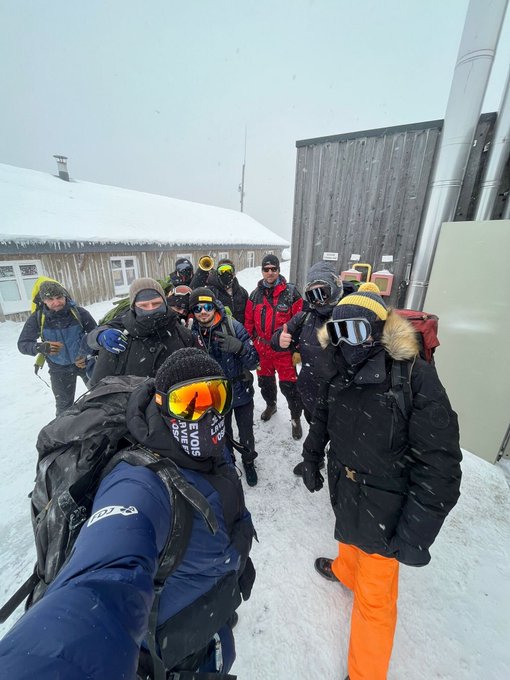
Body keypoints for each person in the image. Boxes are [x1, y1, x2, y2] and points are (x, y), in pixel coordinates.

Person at [0, 348, 256, 679]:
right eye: (188, 402)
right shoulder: (140, 484)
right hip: (169, 655)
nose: (206, 413)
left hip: (205, 622)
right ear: (162, 406)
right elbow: (101, 584)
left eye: (216, 397)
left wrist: (233, 565)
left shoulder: (204, 449)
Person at [299, 290, 462, 680]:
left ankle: (365, 674)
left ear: (377, 330)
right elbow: (322, 415)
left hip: (387, 506)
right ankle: (345, 572)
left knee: (374, 602)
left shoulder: (412, 377)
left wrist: (415, 533)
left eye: (354, 330)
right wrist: (311, 456)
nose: (345, 342)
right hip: (345, 487)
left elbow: (440, 465)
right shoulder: (338, 369)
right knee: (346, 537)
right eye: (337, 331)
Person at [271, 261, 345, 473]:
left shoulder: (346, 316)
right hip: (311, 394)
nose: (318, 300)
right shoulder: (305, 317)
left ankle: (340, 471)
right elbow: (280, 334)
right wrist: (280, 338)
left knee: (341, 442)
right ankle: (315, 461)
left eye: (322, 292)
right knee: (315, 433)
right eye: (312, 295)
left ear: (334, 288)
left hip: (340, 400)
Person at [190, 287, 260, 487]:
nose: (203, 312)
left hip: (241, 391)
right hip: (215, 397)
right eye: (198, 308)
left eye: (207, 307)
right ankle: (229, 463)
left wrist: (239, 348)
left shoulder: (233, 326)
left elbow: (255, 362)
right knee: (222, 433)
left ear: (214, 306)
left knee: (246, 432)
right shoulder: (192, 334)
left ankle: (249, 461)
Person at [88, 277, 197, 386]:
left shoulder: (183, 334)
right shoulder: (119, 338)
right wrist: (99, 336)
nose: (151, 309)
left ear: (164, 302)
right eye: (143, 305)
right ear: (134, 307)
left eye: (156, 303)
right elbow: (99, 388)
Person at [244, 254, 304, 440]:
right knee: (265, 383)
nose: (270, 273)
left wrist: (297, 348)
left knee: (290, 387)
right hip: (262, 350)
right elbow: (248, 321)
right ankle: (271, 405)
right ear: (262, 271)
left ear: (279, 270)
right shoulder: (254, 295)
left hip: (284, 351)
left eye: (273, 269)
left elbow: (300, 322)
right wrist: (251, 342)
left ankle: (295, 418)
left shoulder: (291, 293)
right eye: (266, 269)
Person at [17, 280, 97, 415]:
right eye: (50, 299)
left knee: (101, 394)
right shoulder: (37, 318)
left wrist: (88, 354)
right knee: (64, 408)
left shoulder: (79, 313)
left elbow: (96, 336)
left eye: (59, 297)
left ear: (65, 296)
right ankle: (65, 427)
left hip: (84, 364)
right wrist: (40, 347)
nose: (56, 302)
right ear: (44, 301)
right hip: (59, 369)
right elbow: (23, 344)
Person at [191, 258, 249, 325]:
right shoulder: (210, 292)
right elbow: (194, 293)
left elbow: (248, 316)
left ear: (234, 273)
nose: (225, 273)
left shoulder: (242, 292)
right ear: (217, 273)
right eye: (221, 270)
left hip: (239, 329)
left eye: (229, 270)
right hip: (218, 329)